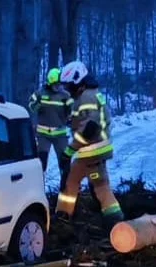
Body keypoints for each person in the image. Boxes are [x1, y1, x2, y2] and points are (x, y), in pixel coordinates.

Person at [55, 60, 124, 232]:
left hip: (92, 151)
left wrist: (69, 151)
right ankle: (64, 217)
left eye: (69, 85)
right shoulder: (88, 95)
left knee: (100, 188)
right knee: (72, 181)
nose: (67, 89)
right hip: (90, 151)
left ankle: (116, 224)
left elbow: (89, 128)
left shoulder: (86, 97)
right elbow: (86, 121)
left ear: (78, 81)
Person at [28, 68, 73, 190]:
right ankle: (37, 188)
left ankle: (66, 187)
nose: (58, 87)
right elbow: (31, 105)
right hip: (43, 135)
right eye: (56, 84)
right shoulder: (40, 93)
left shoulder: (65, 96)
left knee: (65, 161)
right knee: (41, 162)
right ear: (50, 83)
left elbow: (72, 112)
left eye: (60, 84)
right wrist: (38, 105)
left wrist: (71, 116)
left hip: (60, 135)